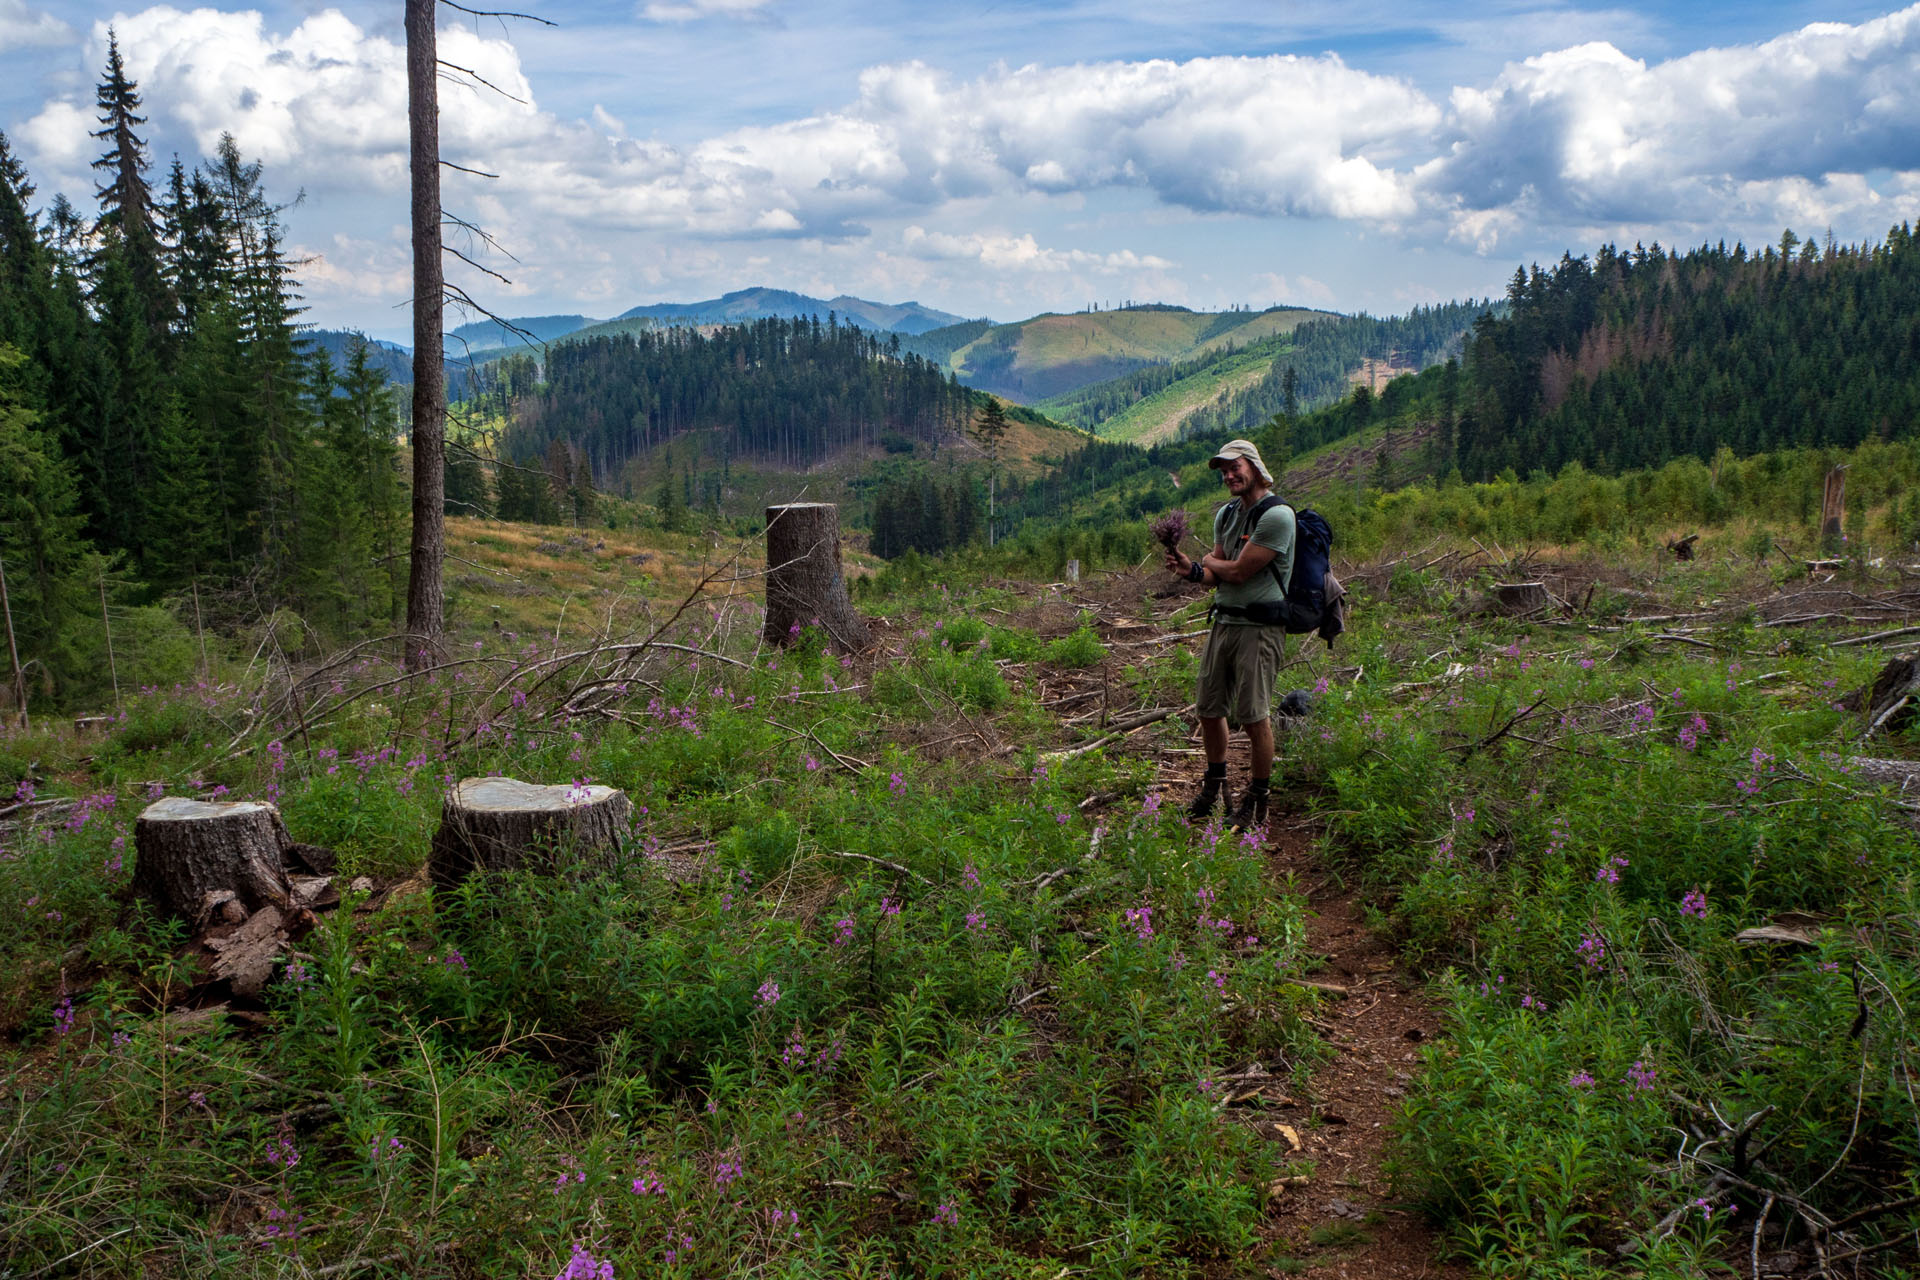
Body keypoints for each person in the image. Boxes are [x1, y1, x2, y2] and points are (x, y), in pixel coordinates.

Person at [1163, 438, 1295, 832]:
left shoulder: (1279, 516)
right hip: (1224, 622)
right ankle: (1216, 785)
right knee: (1208, 708)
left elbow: (1236, 572)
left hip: (1260, 628)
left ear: (1254, 466)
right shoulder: (1227, 514)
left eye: (1234, 467)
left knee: (1253, 716)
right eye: (1223, 471)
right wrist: (1192, 569)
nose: (1228, 476)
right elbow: (1214, 577)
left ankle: (1258, 797)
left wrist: (1211, 561)